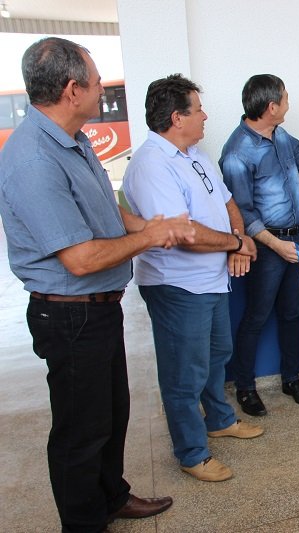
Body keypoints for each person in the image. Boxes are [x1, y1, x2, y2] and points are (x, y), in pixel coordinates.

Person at [0, 37, 188, 531]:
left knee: (111, 414)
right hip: (68, 313)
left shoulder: (75, 140)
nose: (103, 89)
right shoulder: (34, 159)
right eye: (97, 80)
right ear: (72, 90)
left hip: (98, 309)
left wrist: (148, 225)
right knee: (80, 431)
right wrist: (150, 238)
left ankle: (111, 497)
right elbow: (81, 258)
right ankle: (84, 522)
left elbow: (106, 211)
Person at [123, 74, 263, 482]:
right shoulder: (151, 165)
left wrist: (236, 242)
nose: (205, 116)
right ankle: (192, 453)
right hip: (177, 286)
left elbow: (227, 202)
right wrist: (236, 244)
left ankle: (219, 420)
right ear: (176, 118)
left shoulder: (196, 154)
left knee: (216, 355)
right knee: (184, 373)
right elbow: (182, 234)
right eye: (198, 109)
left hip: (212, 279)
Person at [219, 74, 299, 416]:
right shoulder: (236, 152)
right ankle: (245, 387)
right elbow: (243, 213)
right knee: (256, 316)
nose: (290, 104)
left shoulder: (281, 135)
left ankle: (292, 378)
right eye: (286, 99)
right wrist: (276, 246)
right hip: (266, 247)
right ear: (272, 107)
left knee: (291, 313)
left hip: (296, 240)